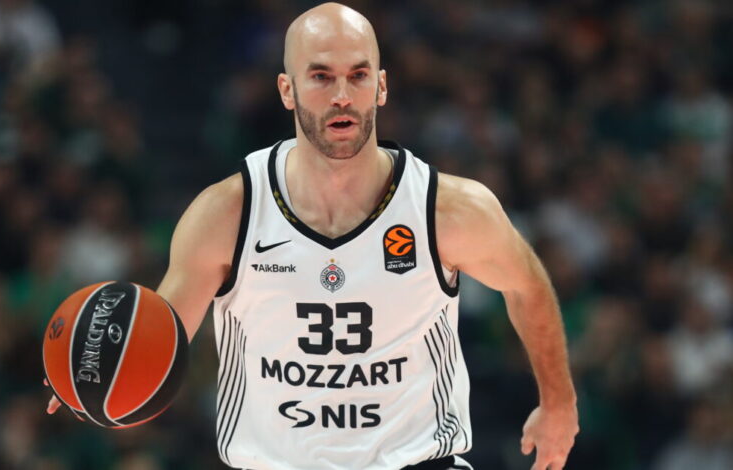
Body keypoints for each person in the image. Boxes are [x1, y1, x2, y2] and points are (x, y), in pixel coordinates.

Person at [46, 3, 578, 469]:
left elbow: (527, 285)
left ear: (382, 86)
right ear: (287, 89)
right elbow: (161, 343)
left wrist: (559, 403)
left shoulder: (448, 210)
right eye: (321, 76)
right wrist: (89, 375)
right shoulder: (227, 214)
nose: (342, 95)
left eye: (358, 75)